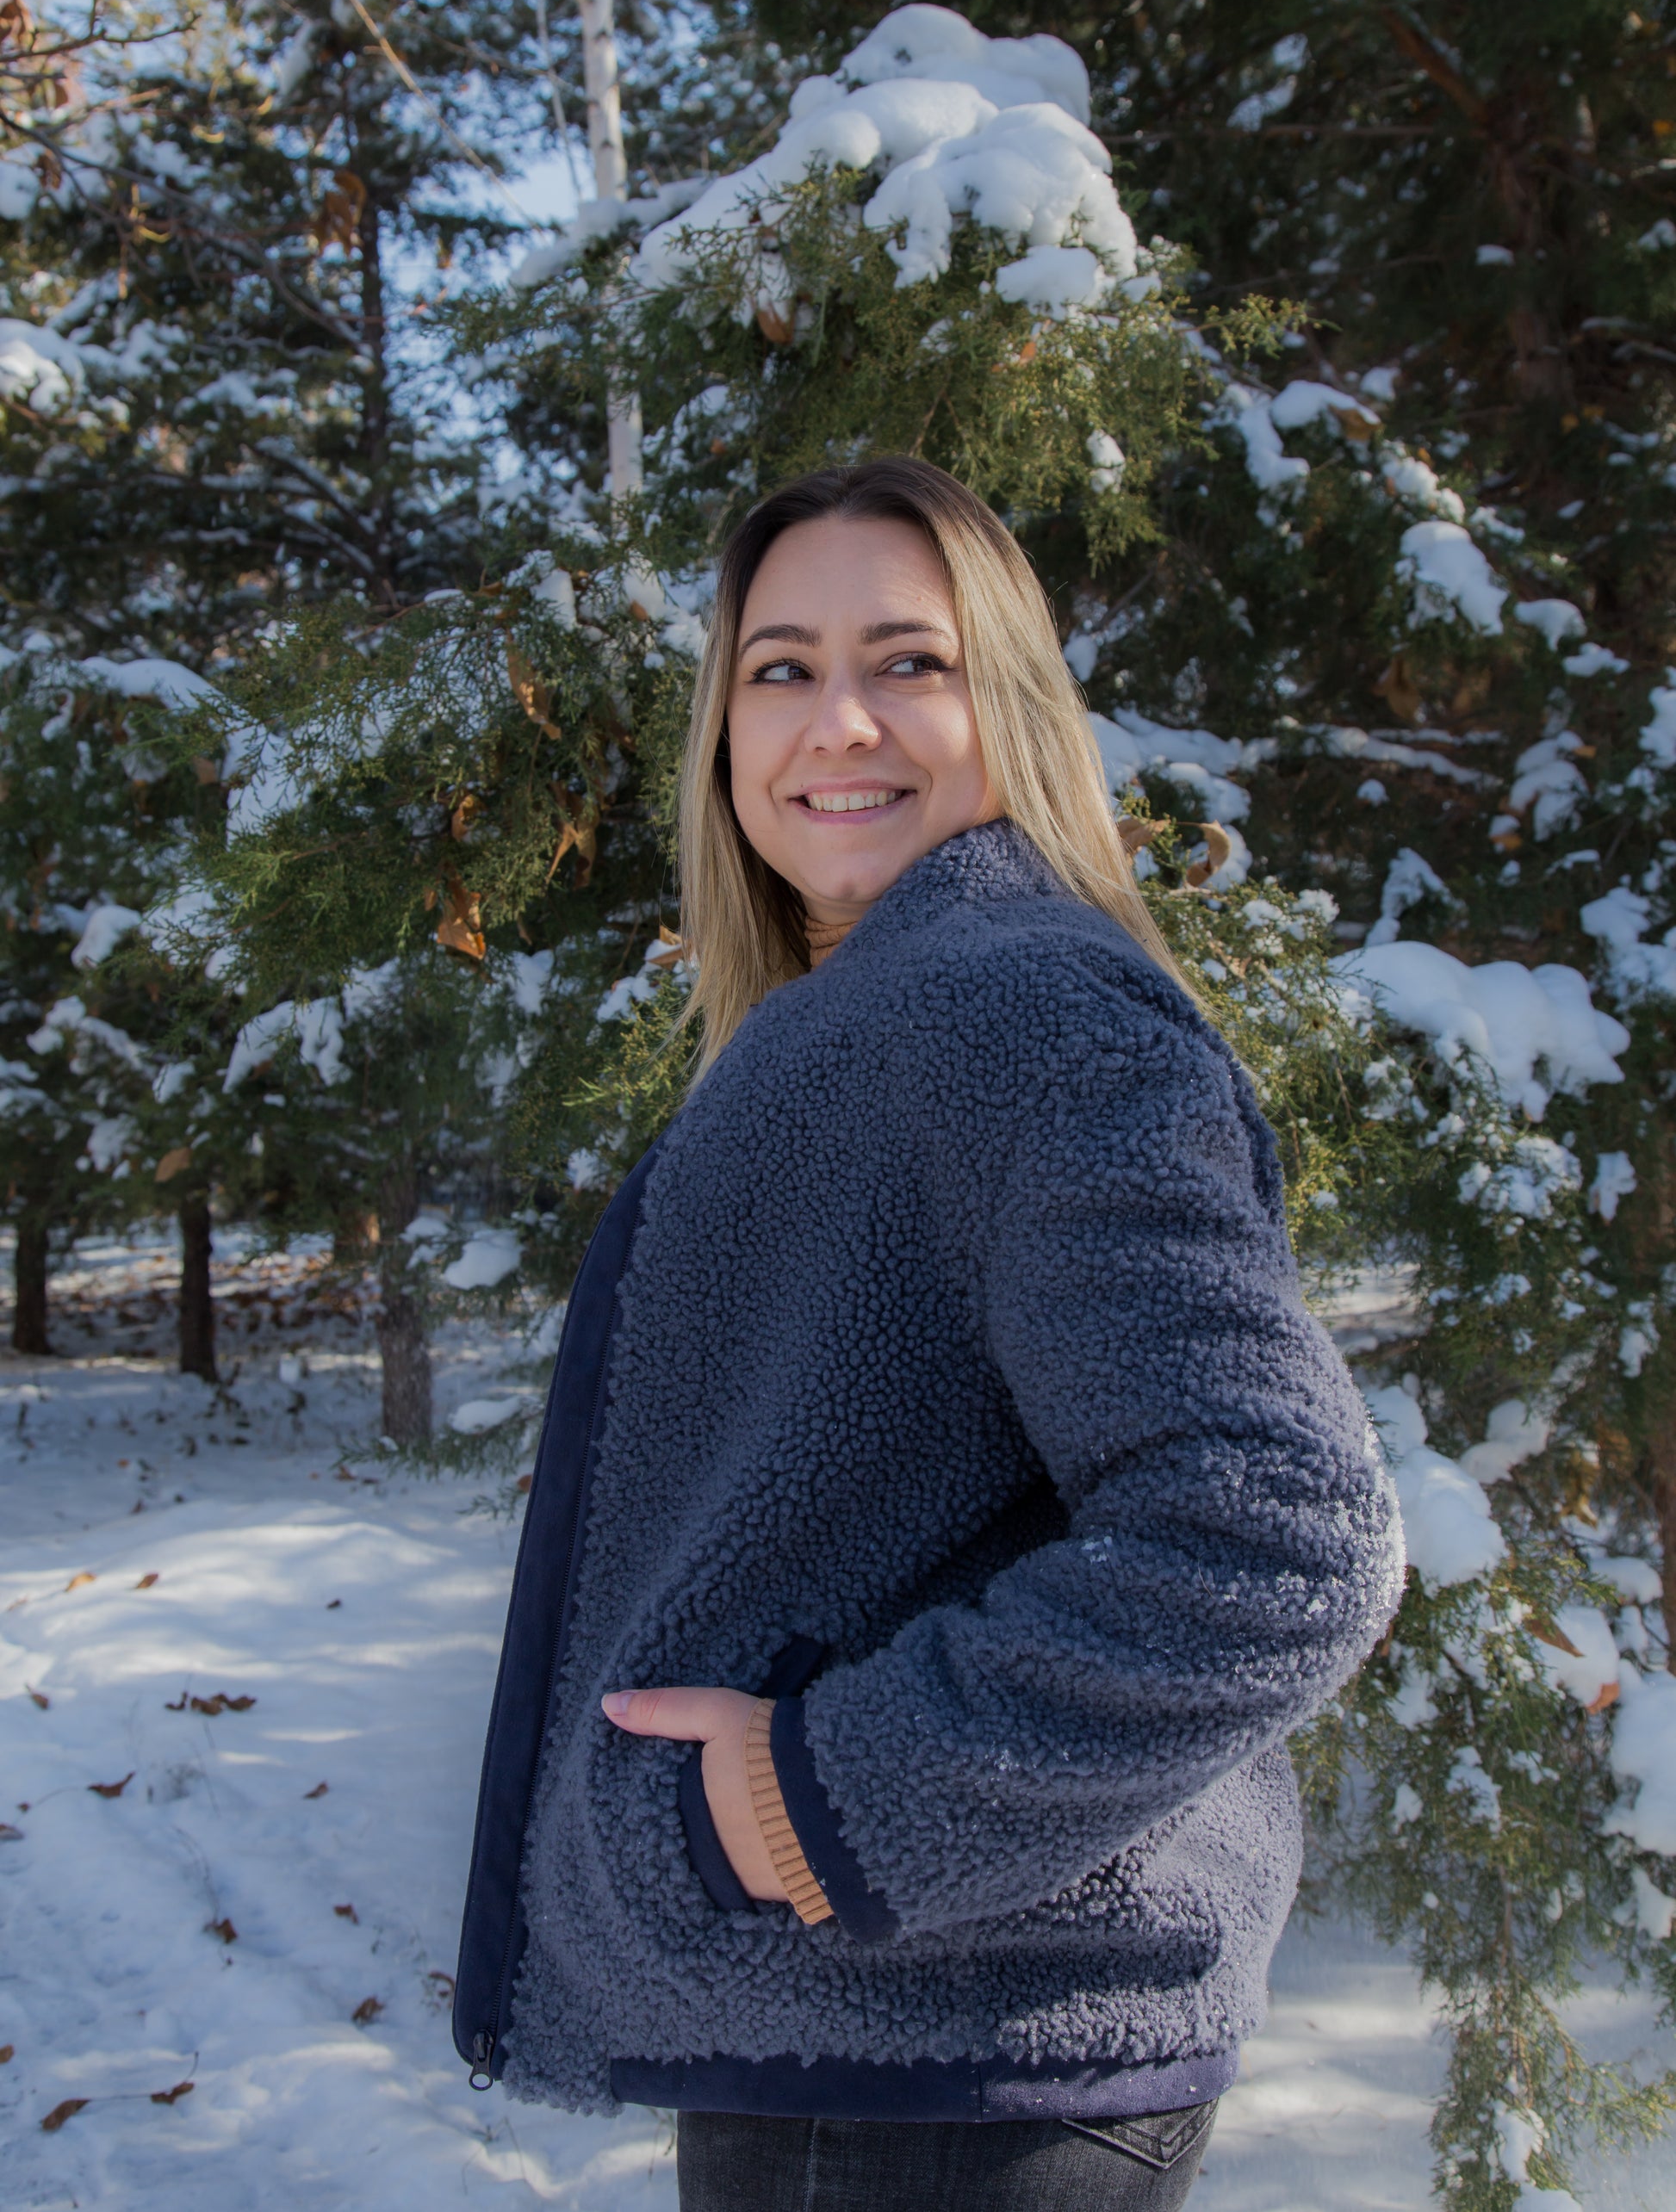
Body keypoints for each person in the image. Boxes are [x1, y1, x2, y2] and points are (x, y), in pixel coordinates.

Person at [454, 456, 1404, 2211]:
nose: (839, 722)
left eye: (910, 660)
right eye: (780, 666)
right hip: (889, 2033)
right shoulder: (890, 1013)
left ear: (1012, 706)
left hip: (933, 2061)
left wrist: (814, 1798)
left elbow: (1273, 1528)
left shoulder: (1022, 1013)